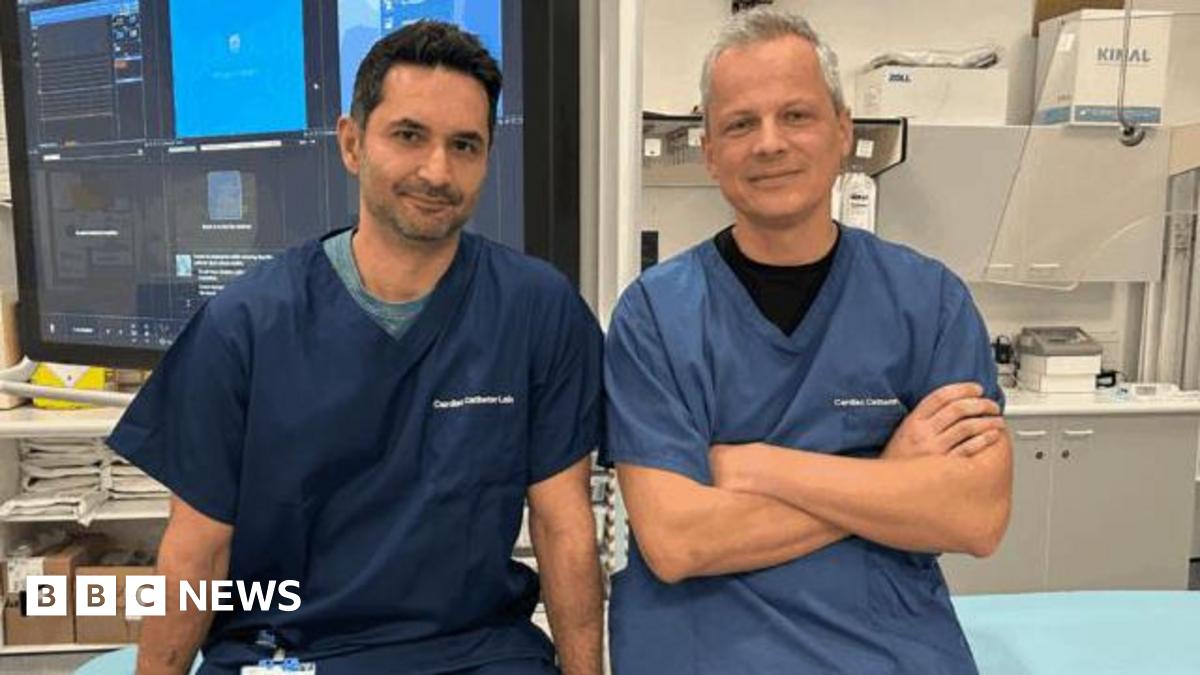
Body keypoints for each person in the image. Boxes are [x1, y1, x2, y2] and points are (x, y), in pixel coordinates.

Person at [108, 21, 604, 675]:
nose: (437, 170)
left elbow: (564, 526)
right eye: (408, 135)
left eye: (465, 145)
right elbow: (197, 551)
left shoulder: (538, 309)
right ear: (351, 143)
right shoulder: (245, 324)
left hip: (475, 651)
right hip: (288, 651)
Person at [602, 8, 1012, 674]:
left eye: (796, 115)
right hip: (707, 648)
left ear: (843, 131)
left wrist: (758, 465)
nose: (769, 143)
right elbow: (677, 539)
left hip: (888, 646)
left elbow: (976, 515)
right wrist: (891, 479)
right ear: (709, 151)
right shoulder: (656, 315)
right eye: (740, 123)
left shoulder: (927, 301)